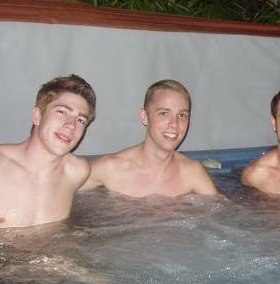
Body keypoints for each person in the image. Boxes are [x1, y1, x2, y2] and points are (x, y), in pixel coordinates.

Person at [0, 75, 96, 228]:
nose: (71, 125)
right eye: (62, 112)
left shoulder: (77, 171)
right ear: (37, 116)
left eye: (80, 120)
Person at [82, 79, 217, 197]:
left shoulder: (192, 173)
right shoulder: (110, 169)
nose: (174, 124)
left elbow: (221, 214)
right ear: (144, 117)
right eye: (164, 113)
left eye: (182, 115)